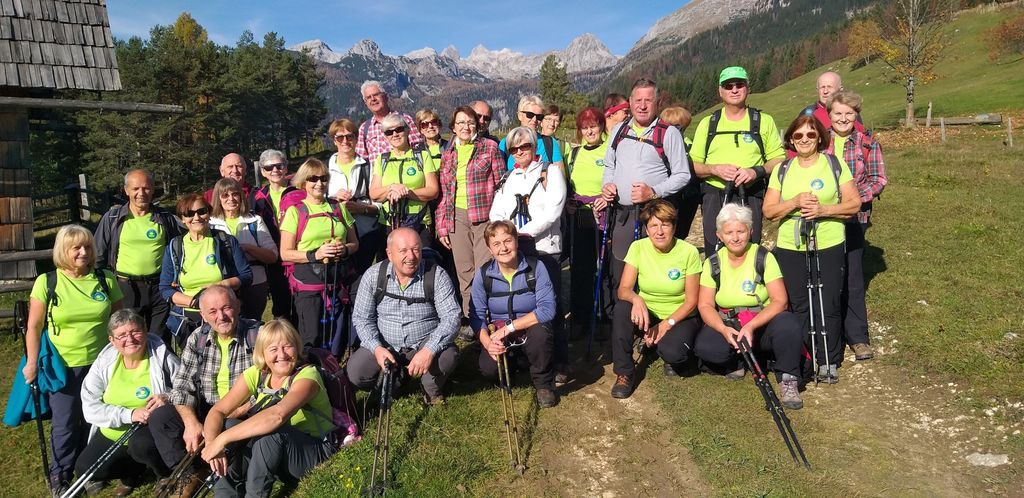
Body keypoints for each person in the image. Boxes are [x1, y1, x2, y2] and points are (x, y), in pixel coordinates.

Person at [22, 225, 124, 495]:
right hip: (63, 366)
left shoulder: (105, 278)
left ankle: (90, 469)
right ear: (63, 251)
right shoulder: (48, 282)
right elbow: (34, 326)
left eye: (87, 246)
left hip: (102, 364)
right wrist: (32, 362)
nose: (83, 252)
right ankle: (61, 474)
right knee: (65, 423)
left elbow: (119, 320)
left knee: (96, 420)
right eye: (76, 247)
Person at [762, 115, 861, 383]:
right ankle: (805, 357)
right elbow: (769, 210)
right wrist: (794, 202)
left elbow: (854, 203)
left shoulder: (834, 164)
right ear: (791, 140)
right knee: (798, 302)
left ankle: (829, 358)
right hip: (791, 244)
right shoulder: (783, 169)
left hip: (829, 240)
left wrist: (823, 210)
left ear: (819, 138)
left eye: (810, 134)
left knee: (829, 300)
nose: (804, 139)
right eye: (798, 135)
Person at [200, 319, 337, 497]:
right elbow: (217, 411)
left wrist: (222, 440)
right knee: (227, 425)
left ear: (297, 347)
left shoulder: (308, 376)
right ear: (262, 353)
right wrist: (212, 444)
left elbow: (277, 416)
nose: (282, 354)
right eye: (273, 349)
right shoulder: (257, 374)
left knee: (271, 434)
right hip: (276, 455)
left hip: (313, 452)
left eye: (287, 346)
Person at [147, 286, 260, 498]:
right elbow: (182, 385)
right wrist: (191, 423)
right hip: (206, 406)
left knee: (230, 426)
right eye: (213, 311)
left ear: (238, 306)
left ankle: (225, 475)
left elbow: (270, 386)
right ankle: (191, 473)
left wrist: (229, 414)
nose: (221, 316)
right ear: (203, 315)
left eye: (226, 308)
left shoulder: (258, 336)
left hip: (241, 412)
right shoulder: (198, 338)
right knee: (161, 418)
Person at [693, 204, 804, 409]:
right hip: (730, 324)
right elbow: (705, 305)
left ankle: (788, 378)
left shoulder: (764, 257)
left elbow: (780, 301)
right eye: (729, 233)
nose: (735, 238)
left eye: (741, 231)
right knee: (705, 347)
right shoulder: (712, 263)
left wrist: (752, 326)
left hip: (761, 323)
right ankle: (739, 362)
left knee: (788, 324)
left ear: (751, 231)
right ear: (719, 236)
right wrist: (723, 329)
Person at [349, 228, 461, 404]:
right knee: (356, 372)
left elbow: (452, 317)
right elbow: (362, 318)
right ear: (389, 254)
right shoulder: (373, 276)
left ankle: (430, 388)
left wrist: (429, 350)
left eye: (416, 249)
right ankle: (397, 379)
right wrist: (377, 348)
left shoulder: (437, 275)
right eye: (403, 251)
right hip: (386, 344)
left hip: (423, 342)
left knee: (448, 356)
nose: (411, 257)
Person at [489, 126, 568, 377]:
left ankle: (560, 361)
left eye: (525, 146)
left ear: (534, 147)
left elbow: (553, 211)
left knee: (551, 304)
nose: (520, 152)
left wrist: (521, 234)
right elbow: (496, 213)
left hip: (544, 249)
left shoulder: (550, 172)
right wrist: (508, 237)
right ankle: (530, 355)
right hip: (516, 250)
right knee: (526, 304)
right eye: (514, 148)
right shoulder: (508, 178)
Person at [76, 309, 180, 496]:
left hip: (149, 429)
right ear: (112, 340)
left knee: (141, 446)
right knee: (85, 468)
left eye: (135, 331)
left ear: (145, 330)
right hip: (113, 429)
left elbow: (187, 387)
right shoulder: (104, 362)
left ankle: (164, 473)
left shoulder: (163, 357)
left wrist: (167, 397)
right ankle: (132, 472)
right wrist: (129, 414)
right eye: (122, 335)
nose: (130, 339)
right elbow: (90, 406)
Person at [601, 78, 692, 291]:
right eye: (638, 100)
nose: (642, 106)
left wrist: (653, 192)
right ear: (631, 102)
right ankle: (623, 311)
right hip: (623, 215)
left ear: (657, 103)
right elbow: (609, 166)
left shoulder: (669, 133)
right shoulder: (619, 131)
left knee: (652, 274)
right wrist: (607, 185)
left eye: (648, 100)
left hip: (654, 215)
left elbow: (683, 174)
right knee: (621, 273)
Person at [610, 200, 702, 399]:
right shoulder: (638, 247)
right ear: (646, 229)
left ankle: (662, 347)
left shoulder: (689, 252)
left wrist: (665, 325)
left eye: (665, 225)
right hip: (647, 313)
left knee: (674, 354)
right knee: (622, 309)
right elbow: (624, 289)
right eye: (653, 226)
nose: (659, 231)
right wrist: (637, 300)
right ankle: (624, 372)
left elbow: (691, 301)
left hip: (679, 316)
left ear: (674, 227)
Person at [690, 66, 786, 255]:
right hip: (715, 195)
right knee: (715, 250)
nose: (734, 90)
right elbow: (693, 165)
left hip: (751, 193)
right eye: (728, 86)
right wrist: (714, 169)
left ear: (747, 88)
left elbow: (779, 159)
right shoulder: (708, 123)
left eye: (739, 85)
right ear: (720, 91)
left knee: (749, 249)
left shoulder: (763, 121)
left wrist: (755, 172)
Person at [827, 91, 888, 361]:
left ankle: (858, 337)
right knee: (826, 276)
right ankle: (828, 335)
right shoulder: (818, 140)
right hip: (823, 218)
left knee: (852, 276)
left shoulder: (867, 144)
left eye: (849, 114)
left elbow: (878, 180)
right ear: (829, 115)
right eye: (838, 113)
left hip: (855, 219)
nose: (843, 119)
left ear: (856, 115)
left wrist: (853, 199)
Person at [472, 221, 558, 407]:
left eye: (508, 241)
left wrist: (509, 328)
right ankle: (513, 366)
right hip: (499, 333)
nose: (503, 248)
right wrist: (488, 343)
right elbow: (476, 315)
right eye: (496, 244)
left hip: (530, 328)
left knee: (541, 334)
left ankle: (543, 383)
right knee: (488, 369)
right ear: (489, 249)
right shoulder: (483, 274)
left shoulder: (536, 268)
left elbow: (547, 309)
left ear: (516, 242)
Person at [94, 169, 182, 343]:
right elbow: (98, 255)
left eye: (146, 188)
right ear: (126, 190)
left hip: (159, 287)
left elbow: (178, 249)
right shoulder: (113, 218)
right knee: (130, 336)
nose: (141, 193)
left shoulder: (164, 218)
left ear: (153, 189)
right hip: (125, 287)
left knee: (159, 338)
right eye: (135, 189)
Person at [279, 158, 359, 347]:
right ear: (303, 182)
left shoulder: (338, 208)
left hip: (340, 278)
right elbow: (285, 253)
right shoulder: (295, 212)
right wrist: (315, 254)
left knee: (341, 333)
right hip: (309, 282)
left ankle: (338, 362)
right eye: (313, 179)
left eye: (323, 178)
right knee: (312, 336)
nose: (319, 183)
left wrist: (345, 249)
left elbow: (355, 243)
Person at [435, 106, 506, 317]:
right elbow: (444, 194)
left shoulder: (490, 148)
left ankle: (491, 316)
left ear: (477, 125)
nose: (466, 127)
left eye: (470, 122)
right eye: (461, 122)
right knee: (464, 271)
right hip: (456, 217)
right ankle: (473, 319)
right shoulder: (448, 154)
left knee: (485, 269)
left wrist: (499, 219)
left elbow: (502, 185)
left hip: (484, 217)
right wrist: (442, 226)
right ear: (453, 127)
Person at [158, 194, 252, 344]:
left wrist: (220, 285)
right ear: (182, 219)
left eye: (201, 211)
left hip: (223, 316)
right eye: (189, 214)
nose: (196, 217)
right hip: (188, 319)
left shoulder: (225, 241)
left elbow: (246, 276)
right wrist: (196, 303)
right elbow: (165, 288)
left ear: (209, 213)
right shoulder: (174, 246)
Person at [566, 107, 611, 330]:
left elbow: (618, 180)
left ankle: (605, 316)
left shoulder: (610, 151)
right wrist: (568, 202)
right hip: (579, 218)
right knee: (580, 268)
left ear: (601, 126)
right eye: (585, 128)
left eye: (593, 126)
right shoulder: (574, 154)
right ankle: (580, 318)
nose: (590, 131)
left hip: (604, 216)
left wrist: (607, 198)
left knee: (604, 268)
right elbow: (567, 185)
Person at [209, 178, 279, 320]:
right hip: (223, 284)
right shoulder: (210, 224)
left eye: (235, 194)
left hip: (255, 283)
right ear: (218, 198)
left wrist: (246, 248)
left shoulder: (255, 221)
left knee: (253, 323)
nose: (231, 199)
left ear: (241, 196)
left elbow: (272, 256)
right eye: (225, 195)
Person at [369, 113, 439, 246]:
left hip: (420, 222)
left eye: (399, 129)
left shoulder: (423, 156)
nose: (395, 134)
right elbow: (374, 194)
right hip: (389, 223)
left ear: (407, 130)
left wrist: (406, 192)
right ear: (385, 137)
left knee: (423, 257)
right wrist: (392, 188)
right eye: (389, 132)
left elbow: (433, 191)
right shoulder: (382, 160)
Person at [327, 118, 382, 275]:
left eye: (349, 136)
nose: (345, 141)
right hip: (337, 233)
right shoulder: (325, 170)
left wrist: (361, 208)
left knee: (364, 274)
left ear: (357, 139)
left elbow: (379, 204)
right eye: (340, 137)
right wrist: (334, 199)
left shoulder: (368, 167)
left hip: (365, 232)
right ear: (334, 141)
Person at [256, 149, 295, 320]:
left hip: (297, 253)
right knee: (280, 305)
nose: (275, 170)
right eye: (269, 167)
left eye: (279, 166)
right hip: (274, 259)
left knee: (302, 303)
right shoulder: (259, 197)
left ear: (286, 167)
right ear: (263, 171)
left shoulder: (299, 190)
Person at [355, 80, 424, 162]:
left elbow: (418, 149)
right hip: (377, 170)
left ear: (385, 97)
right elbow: (361, 159)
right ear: (366, 103)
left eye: (376, 95)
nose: (373, 99)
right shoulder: (364, 128)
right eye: (369, 97)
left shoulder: (405, 119)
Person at [658, 105, 700, 239]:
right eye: (677, 127)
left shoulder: (688, 143)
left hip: (688, 195)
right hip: (669, 194)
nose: (680, 131)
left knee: (682, 229)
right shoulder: (662, 143)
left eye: (683, 127)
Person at [203, 153, 275, 231]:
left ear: (245, 170)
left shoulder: (258, 195)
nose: (235, 170)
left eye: (239, 166)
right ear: (222, 171)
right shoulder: (209, 196)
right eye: (230, 167)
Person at [499, 95, 563, 170]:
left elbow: (560, 173)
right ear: (519, 116)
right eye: (530, 115)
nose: (534, 120)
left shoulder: (549, 143)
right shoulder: (505, 143)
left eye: (539, 117)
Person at [799, 71, 865, 133]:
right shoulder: (808, 113)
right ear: (817, 90)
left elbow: (862, 135)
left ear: (840, 89)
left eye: (829, 87)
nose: (825, 91)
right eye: (822, 87)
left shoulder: (851, 111)